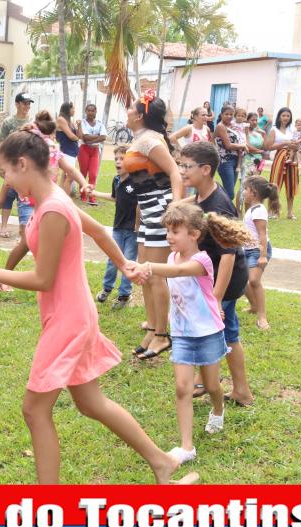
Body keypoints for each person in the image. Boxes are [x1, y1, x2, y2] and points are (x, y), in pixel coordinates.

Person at [0, 131, 197, 485]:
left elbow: (44, 278)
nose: (7, 181)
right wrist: (125, 265)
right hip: (70, 313)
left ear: (23, 164)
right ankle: (161, 462)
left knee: (34, 409)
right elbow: (99, 233)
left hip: (69, 319)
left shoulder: (53, 208)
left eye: (6, 172)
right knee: (91, 403)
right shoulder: (52, 200)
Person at [138, 201, 250, 466]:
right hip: (183, 335)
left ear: (194, 235)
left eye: (175, 232)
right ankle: (187, 446)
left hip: (208, 332)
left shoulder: (202, 260)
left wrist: (146, 265)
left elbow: (179, 272)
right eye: (168, 230)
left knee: (211, 386)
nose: (169, 236)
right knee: (182, 388)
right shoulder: (171, 258)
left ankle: (218, 409)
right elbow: (173, 281)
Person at [179, 141, 254, 408]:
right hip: (213, 278)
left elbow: (229, 255)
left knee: (227, 334)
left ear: (206, 169)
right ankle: (207, 379)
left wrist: (216, 297)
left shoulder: (219, 205)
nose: (182, 170)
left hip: (227, 280)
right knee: (217, 331)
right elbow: (197, 206)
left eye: (187, 166)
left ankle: (241, 391)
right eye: (180, 165)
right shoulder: (202, 195)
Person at [0, 112, 92, 292]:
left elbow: (43, 281)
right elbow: (71, 170)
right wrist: (84, 183)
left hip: (41, 201)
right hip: (34, 200)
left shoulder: (44, 149)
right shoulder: (43, 149)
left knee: (27, 243)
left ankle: (5, 277)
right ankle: (5, 278)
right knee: (27, 242)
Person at [122, 91, 184, 359]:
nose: (127, 111)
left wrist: (175, 208)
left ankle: (162, 335)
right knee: (145, 273)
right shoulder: (141, 138)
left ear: (139, 115)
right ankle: (152, 329)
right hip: (148, 212)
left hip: (160, 210)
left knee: (156, 274)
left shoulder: (149, 140)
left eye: (130, 108)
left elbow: (174, 173)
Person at [94, 146, 137, 310]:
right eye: (116, 159)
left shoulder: (136, 181)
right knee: (112, 259)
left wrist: (138, 226)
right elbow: (114, 197)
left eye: (122, 159)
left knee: (128, 262)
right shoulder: (116, 180)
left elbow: (140, 205)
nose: (118, 162)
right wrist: (95, 193)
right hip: (118, 228)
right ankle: (107, 288)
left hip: (133, 231)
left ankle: (124, 295)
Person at [241, 176, 280, 330]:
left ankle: (262, 318)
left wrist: (262, 256)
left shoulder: (258, 211)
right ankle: (254, 306)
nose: (243, 192)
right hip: (248, 249)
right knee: (242, 280)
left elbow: (262, 235)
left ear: (254, 192)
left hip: (258, 250)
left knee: (254, 281)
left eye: (246, 189)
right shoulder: (252, 208)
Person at [0, 93, 35, 238]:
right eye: (25, 103)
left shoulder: (32, 121)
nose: (27, 106)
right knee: (8, 195)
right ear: (17, 104)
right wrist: (2, 165)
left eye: (29, 103)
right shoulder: (8, 122)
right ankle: (4, 227)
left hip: (27, 167)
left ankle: (23, 228)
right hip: (11, 166)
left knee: (24, 198)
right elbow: (2, 144)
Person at [266, 107, 300, 220]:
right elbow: (269, 147)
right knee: (275, 184)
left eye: (288, 116)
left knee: (291, 185)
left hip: (291, 158)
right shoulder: (274, 130)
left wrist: (295, 147)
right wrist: (285, 143)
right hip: (279, 157)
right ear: (279, 117)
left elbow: (296, 145)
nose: (285, 118)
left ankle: (290, 213)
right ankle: (271, 211)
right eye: (283, 115)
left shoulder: (292, 131)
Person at [214, 105, 247, 201]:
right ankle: (216, 206)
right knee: (230, 194)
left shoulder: (232, 126)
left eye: (231, 114)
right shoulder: (220, 126)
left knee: (228, 192)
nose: (229, 116)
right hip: (225, 161)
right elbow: (228, 145)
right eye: (226, 114)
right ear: (221, 115)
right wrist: (243, 146)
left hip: (235, 160)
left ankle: (219, 208)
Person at [77, 103, 105, 205]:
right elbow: (84, 137)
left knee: (93, 174)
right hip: (84, 149)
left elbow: (103, 137)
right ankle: (83, 194)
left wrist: (91, 140)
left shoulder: (100, 124)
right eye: (88, 110)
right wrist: (97, 136)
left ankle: (91, 196)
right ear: (85, 111)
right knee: (83, 173)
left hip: (95, 150)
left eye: (92, 110)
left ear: (96, 111)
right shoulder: (83, 123)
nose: (90, 112)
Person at [56, 102, 82, 199]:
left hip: (72, 152)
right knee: (70, 177)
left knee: (65, 176)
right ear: (67, 109)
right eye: (72, 108)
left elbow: (79, 135)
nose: (74, 110)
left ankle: (60, 198)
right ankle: (65, 199)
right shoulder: (61, 120)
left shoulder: (70, 121)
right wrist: (78, 140)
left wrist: (79, 126)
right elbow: (71, 136)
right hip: (66, 152)